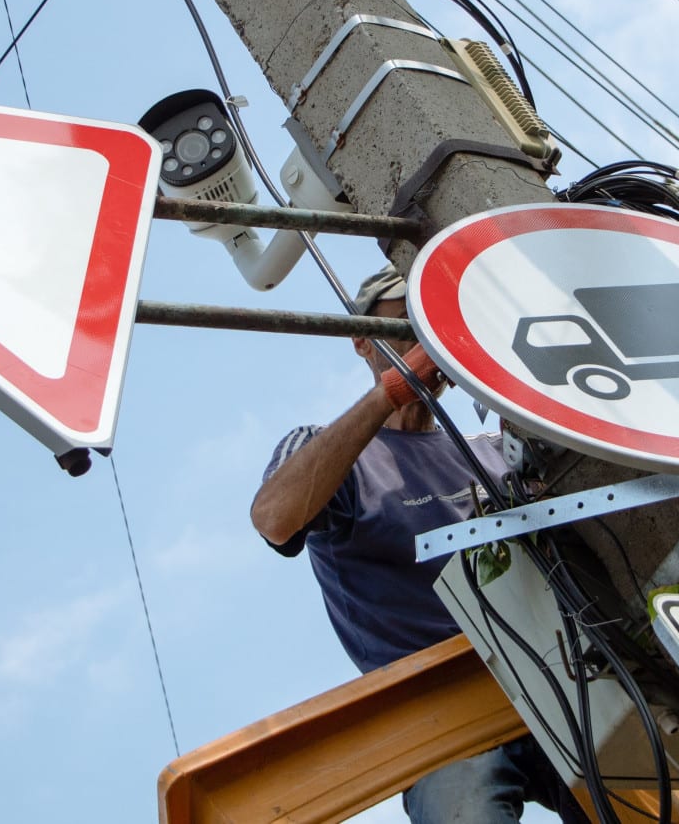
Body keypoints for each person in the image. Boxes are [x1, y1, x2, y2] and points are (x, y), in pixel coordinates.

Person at [251, 265, 591, 824]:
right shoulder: (332, 454)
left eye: (435, 323)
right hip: (440, 713)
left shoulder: (490, 452)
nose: (424, 337)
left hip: (554, 686)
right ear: (361, 339)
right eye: (406, 321)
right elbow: (274, 518)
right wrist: (390, 392)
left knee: (643, 800)